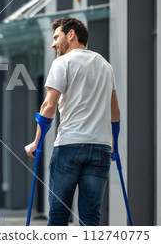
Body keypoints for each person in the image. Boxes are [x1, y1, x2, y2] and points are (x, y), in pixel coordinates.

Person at [24, 17, 120, 226]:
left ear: (71, 34)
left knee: (58, 216)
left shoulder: (62, 62)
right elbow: (115, 112)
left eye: (56, 37)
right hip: (101, 148)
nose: (53, 43)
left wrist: (36, 142)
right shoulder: (105, 65)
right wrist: (114, 145)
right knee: (90, 218)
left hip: (70, 145)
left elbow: (49, 106)